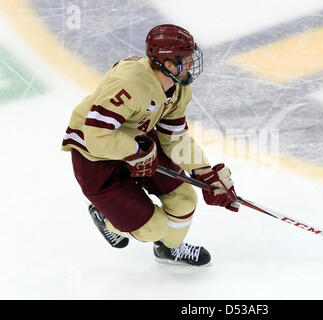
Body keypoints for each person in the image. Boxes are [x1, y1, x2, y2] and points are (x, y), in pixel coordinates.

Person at [61, 24, 239, 266]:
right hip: (95, 158)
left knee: (184, 199)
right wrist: (135, 152)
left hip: (139, 141)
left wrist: (204, 172)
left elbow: (174, 136)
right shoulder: (130, 83)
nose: (191, 64)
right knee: (153, 228)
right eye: (184, 59)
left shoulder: (178, 90)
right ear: (165, 63)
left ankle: (170, 250)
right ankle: (106, 218)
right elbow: (96, 135)